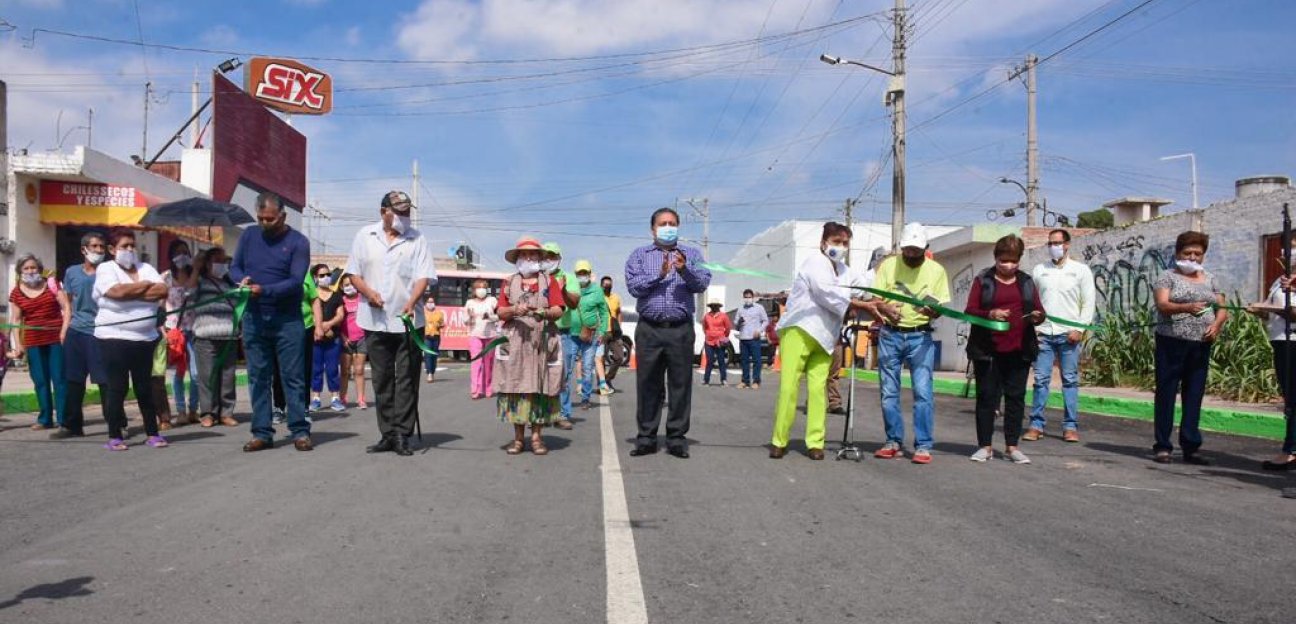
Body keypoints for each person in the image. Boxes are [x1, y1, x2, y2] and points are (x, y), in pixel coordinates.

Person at [770, 222, 877, 460]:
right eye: (837, 242)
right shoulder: (814, 263)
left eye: (845, 243)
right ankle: (779, 439)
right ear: (824, 243)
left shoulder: (844, 270)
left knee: (819, 390)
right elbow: (826, 293)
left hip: (825, 336)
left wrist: (880, 266)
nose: (841, 247)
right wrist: (856, 303)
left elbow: (861, 284)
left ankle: (815, 442)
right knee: (789, 388)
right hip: (799, 329)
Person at [346, 190, 436, 457]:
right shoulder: (365, 236)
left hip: (409, 321)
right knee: (382, 379)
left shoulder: (417, 239)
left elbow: (424, 276)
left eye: (407, 212)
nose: (404, 217)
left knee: (407, 378)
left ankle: (402, 433)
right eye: (399, 212)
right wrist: (368, 292)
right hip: (374, 321)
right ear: (383, 211)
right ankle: (387, 433)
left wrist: (413, 300)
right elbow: (353, 273)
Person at [624, 207, 712, 458]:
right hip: (649, 329)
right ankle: (646, 437)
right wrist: (659, 274)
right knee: (648, 384)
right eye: (662, 223)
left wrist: (684, 270)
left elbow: (702, 282)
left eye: (672, 223)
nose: (668, 227)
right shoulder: (639, 256)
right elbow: (634, 287)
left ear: (679, 226)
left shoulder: (692, 254)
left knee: (680, 384)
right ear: (653, 229)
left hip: (680, 330)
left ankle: (676, 438)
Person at [231, 192, 313, 452]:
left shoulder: (298, 242)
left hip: (287, 320)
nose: (265, 223)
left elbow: (295, 281)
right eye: (261, 218)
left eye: (271, 219)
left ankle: (299, 430)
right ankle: (262, 432)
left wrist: (263, 290)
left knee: (293, 377)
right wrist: (241, 279)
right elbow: (235, 267)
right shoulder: (248, 236)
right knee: (258, 377)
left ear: (283, 216)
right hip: (254, 318)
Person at [871, 222, 950, 465]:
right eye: (908, 250)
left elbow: (941, 306)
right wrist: (884, 307)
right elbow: (876, 298)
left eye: (917, 250)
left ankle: (923, 445)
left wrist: (931, 311)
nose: (912, 255)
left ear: (925, 248)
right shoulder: (888, 266)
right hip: (890, 335)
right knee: (888, 392)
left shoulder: (936, 270)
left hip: (920, 336)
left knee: (923, 392)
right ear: (901, 247)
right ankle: (893, 440)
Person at [964, 235, 1046, 464]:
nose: (1008, 266)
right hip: (987, 350)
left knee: (1016, 398)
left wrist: (1038, 317)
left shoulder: (1027, 282)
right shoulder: (983, 280)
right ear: (995, 258)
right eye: (1003, 261)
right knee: (987, 398)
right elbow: (970, 311)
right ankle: (985, 446)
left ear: (1019, 260)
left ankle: (1012, 446)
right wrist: (990, 314)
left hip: (1020, 350)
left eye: (1013, 261)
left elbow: (1039, 310)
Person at [1151, 231, 1227, 465]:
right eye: (1187, 253)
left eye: (1197, 253)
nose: (1192, 257)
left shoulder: (1211, 279)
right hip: (1171, 342)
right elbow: (1163, 305)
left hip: (1200, 344)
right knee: (1166, 392)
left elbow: (1223, 308)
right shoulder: (1167, 277)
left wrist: (1216, 325)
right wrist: (1186, 307)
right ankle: (1163, 445)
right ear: (1177, 254)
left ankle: (1191, 446)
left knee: (1194, 394)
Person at [93, 231, 169, 450]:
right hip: (113, 337)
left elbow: (162, 289)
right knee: (117, 387)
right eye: (124, 246)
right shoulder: (106, 268)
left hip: (145, 338)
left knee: (144, 386)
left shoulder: (146, 268)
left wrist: (133, 291)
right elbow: (115, 292)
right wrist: (146, 287)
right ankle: (115, 435)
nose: (129, 250)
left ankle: (152, 433)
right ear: (111, 249)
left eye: (132, 246)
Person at [493, 237, 566, 454]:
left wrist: (543, 312)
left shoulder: (549, 282)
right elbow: (500, 312)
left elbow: (559, 309)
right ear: (517, 258)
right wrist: (515, 310)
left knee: (541, 386)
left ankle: (536, 438)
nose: (528, 257)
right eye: (524, 254)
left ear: (540, 258)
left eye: (533, 254)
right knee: (515, 385)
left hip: (542, 339)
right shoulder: (508, 282)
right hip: (516, 340)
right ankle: (517, 439)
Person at [1026, 228, 1096, 443]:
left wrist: (1080, 329)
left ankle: (1070, 426)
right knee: (1040, 380)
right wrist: (1033, 328)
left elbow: (1088, 303)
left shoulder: (1081, 270)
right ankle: (1036, 425)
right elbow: (1031, 301)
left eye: (1057, 243)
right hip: (1044, 334)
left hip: (1069, 335)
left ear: (1067, 244)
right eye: (1050, 243)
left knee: (1070, 380)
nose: (1054, 247)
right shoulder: (1039, 270)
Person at [53, 232, 109, 439]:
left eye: (102, 247)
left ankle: (116, 423)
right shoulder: (72, 272)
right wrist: (64, 329)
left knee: (105, 381)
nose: (98, 251)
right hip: (77, 331)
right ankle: (71, 425)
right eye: (94, 246)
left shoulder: (108, 272)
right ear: (84, 249)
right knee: (73, 381)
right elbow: (69, 304)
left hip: (100, 331)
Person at [8, 253, 69, 432]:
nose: (30, 271)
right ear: (20, 272)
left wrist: (64, 331)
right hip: (33, 342)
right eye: (26, 268)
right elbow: (16, 320)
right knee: (40, 380)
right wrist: (18, 345)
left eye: (33, 267)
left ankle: (64, 419)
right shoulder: (16, 292)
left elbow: (66, 307)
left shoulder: (52, 284)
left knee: (59, 379)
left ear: (39, 269)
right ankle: (45, 419)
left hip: (56, 339)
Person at [1248, 271, 1296, 471]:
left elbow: (1292, 313)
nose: (1290, 254)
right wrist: (1259, 310)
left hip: (1294, 341)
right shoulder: (1280, 279)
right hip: (1280, 341)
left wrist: (1286, 307)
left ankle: (1291, 450)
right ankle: (1291, 448)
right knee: (1291, 397)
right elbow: (1270, 311)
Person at [188, 247, 240, 428]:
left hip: (229, 337)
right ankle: (208, 413)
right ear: (208, 263)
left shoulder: (230, 284)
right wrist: (195, 268)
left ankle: (226, 412)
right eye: (218, 260)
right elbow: (188, 293)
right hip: (205, 337)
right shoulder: (201, 281)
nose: (222, 264)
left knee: (227, 377)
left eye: (224, 260)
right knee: (207, 377)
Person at [271, 270, 318, 424]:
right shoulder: (274, 271)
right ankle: (279, 407)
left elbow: (314, 299)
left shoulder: (304, 273)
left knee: (304, 369)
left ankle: (303, 407)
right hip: (280, 327)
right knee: (279, 369)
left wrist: (319, 325)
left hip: (305, 326)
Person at [162, 239, 199, 426]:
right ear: (171, 256)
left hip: (194, 329)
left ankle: (193, 409)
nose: (182, 256)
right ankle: (181, 411)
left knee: (196, 374)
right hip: (174, 331)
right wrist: (162, 331)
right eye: (178, 252)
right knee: (178, 373)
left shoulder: (196, 276)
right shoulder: (165, 278)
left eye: (185, 252)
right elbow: (159, 306)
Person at [546, 243, 583, 429]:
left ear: (559, 258)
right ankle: (541, 414)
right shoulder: (537, 278)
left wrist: (562, 291)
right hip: (540, 332)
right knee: (539, 374)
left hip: (563, 333)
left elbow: (574, 303)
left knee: (563, 375)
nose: (548, 260)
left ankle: (562, 414)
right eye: (545, 256)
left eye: (552, 256)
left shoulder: (568, 277)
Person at [566, 260, 609, 407]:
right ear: (575, 274)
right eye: (579, 273)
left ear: (589, 274)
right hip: (571, 333)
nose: (582, 276)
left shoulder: (597, 291)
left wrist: (602, 331)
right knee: (567, 368)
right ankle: (564, 402)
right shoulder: (571, 289)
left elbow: (604, 313)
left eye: (584, 273)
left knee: (587, 366)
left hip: (591, 334)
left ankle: (586, 398)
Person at [309, 264, 346, 412]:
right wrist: (320, 328)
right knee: (316, 368)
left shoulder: (336, 295)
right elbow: (310, 314)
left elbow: (340, 315)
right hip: (315, 338)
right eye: (322, 275)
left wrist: (328, 325)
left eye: (327, 274)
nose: (325, 278)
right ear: (315, 278)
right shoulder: (312, 295)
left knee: (332, 369)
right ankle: (316, 399)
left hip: (333, 338)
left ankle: (335, 398)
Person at [338, 275, 369, 409]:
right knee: (345, 371)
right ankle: (342, 398)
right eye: (346, 285)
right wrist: (344, 338)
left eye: (352, 284)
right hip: (345, 340)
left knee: (359, 370)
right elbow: (338, 322)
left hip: (362, 339)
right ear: (341, 287)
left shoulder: (362, 300)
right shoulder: (341, 301)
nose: (350, 287)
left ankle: (361, 399)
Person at [465, 279, 498, 399]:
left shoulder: (492, 300)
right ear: (474, 290)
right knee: (476, 362)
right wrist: (470, 316)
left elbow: (499, 316)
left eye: (484, 287)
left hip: (491, 334)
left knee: (489, 364)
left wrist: (490, 317)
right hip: (475, 334)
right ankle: (475, 390)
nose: (482, 290)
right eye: (479, 287)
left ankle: (488, 388)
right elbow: (465, 321)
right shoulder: (469, 303)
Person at [596, 275, 621, 395]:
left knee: (619, 357)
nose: (607, 286)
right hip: (602, 332)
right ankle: (602, 384)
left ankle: (607, 379)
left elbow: (619, 312)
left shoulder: (616, 297)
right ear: (601, 286)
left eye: (609, 285)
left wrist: (620, 327)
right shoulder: (598, 297)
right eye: (605, 285)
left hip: (614, 333)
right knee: (600, 358)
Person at [701, 300, 732, 386]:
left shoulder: (724, 316)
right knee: (709, 361)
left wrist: (723, 337)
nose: (714, 307)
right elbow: (704, 327)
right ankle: (706, 380)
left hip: (720, 341)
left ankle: (723, 380)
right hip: (709, 341)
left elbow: (728, 328)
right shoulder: (706, 316)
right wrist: (708, 334)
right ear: (710, 307)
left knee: (721, 361)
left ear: (719, 306)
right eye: (712, 306)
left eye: (716, 305)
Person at [423, 296, 445, 383]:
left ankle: (432, 371)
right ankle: (429, 374)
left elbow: (442, 324)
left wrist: (440, 324)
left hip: (436, 336)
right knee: (428, 354)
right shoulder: (423, 313)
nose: (430, 304)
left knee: (434, 355)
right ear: (426, 303)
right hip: (426, 336)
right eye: (429, 302)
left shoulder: (439, 313)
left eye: (432, 302)